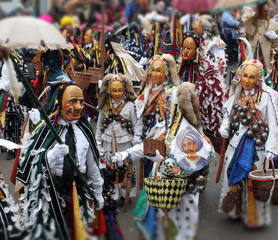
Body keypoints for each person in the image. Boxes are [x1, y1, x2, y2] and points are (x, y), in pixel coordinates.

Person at [113, 54, 213, 240]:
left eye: (159, 70)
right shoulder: (154, 109)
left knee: (183, 217)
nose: (155, 73)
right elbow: (146, 135)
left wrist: (161, 162)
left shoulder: (187, 127)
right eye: (153, 70)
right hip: (163, 172)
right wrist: (129, 149)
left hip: (179, 176)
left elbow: (189, 159)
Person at [16, 82, 104, 239]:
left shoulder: (85, 131)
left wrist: (98, 193)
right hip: (51, 193)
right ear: (59, 103)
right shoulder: (45, 130)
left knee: (75, 233)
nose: (78, 106)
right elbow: (31, 168)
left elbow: (92, 165)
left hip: (77, 193)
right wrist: (51, 156)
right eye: (72, 101)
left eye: (81, 102)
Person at [218, 59, 278, 228]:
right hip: (235, 144)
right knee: (232, 178)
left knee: (254, 183)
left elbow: (273, 124)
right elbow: (228, 115)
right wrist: (224, 126)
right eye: (244, 76)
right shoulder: (237, 94)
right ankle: (234, 211)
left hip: (257, 146)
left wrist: (272, 149)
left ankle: (255, 217)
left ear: (258, 79)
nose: (247, 80)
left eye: (252, 77)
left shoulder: (267, 98)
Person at [178, 31, 227, 152]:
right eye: (183, 47)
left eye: (189, 48)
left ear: (198, 49)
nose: (185, 51)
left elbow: (215, 96)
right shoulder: (181, 66)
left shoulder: (208, 71)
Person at [96, 73, 137, 206]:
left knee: (126, 169)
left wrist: (137, 142)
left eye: (120, 90)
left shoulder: (130, 106)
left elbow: (136, 125)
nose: (117, 93)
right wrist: (98, 144)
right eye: (114, 90)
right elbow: (99, 127)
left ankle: (127, 194)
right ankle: (113, 195)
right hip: (109, 143)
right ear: (109, 91)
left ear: (124, 90)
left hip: (125, 144)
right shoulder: (105, 107)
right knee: (111, 168)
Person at [241, 2, 278, 72]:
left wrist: (275, 37)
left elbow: (276, 46)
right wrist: (242, 33)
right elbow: (243, 42)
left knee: (265, 77)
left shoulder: (274, 25)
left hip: (267, 59)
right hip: (251, 59)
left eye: (266, 11)